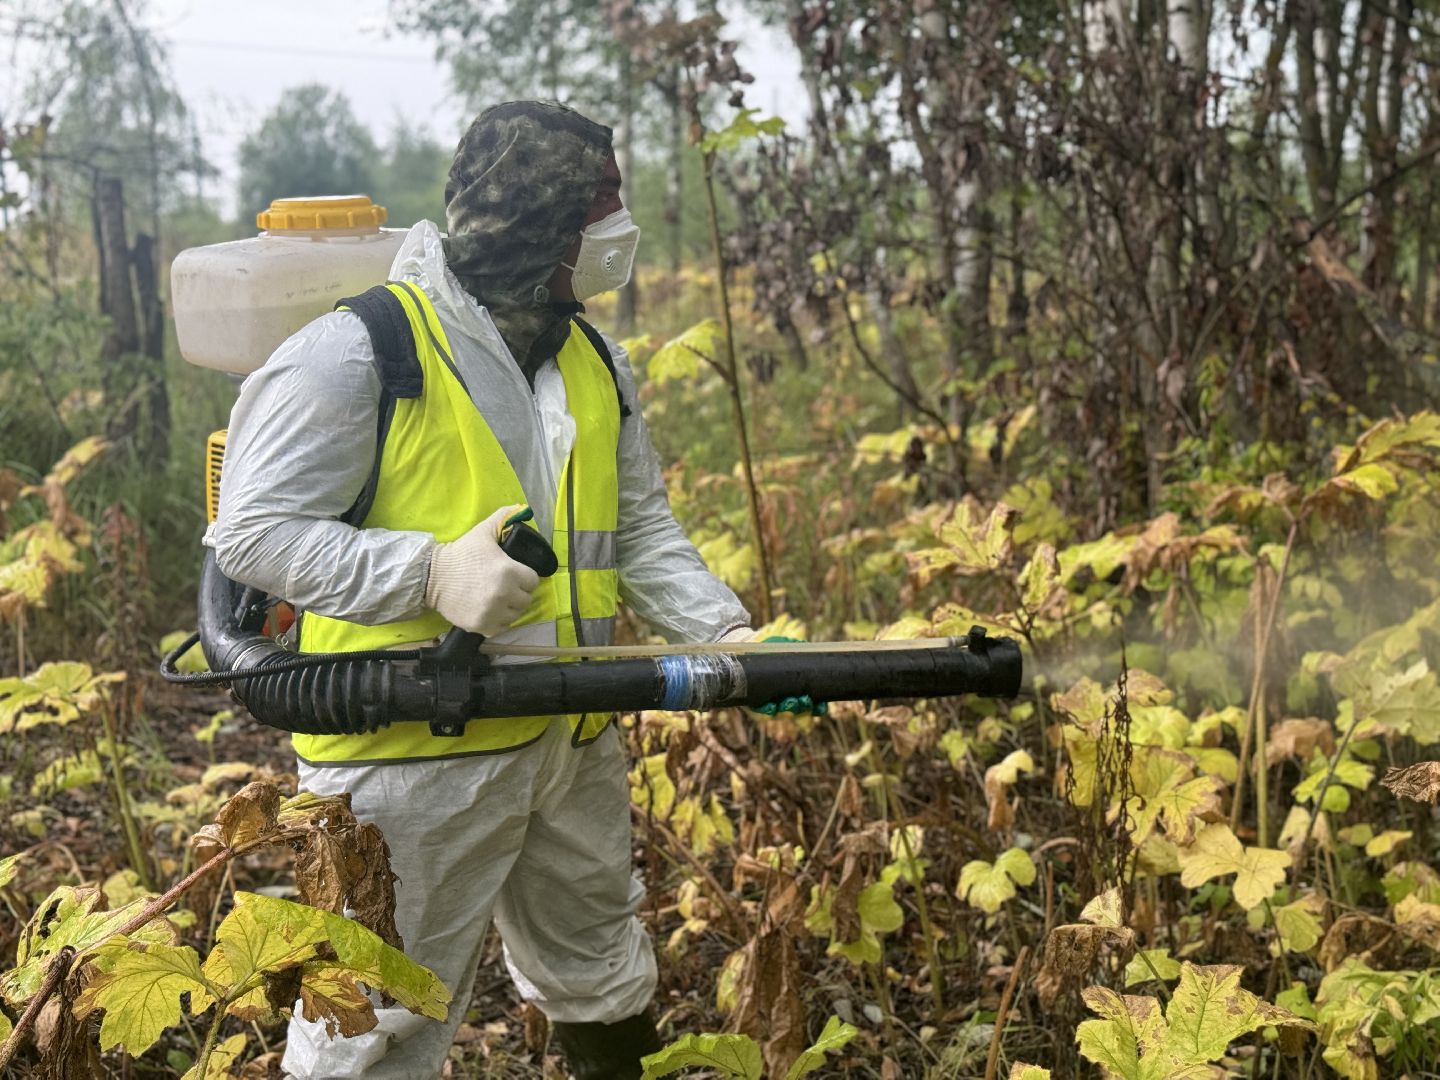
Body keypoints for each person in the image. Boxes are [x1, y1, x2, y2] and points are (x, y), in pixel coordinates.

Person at [210, 101, 786, 1079]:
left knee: (599, 964)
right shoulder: (359, 354)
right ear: (539, 219)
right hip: (408, 752)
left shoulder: (594, 357)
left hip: (570, 732)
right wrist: (425, 572)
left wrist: (730, 638)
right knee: (370, 1023)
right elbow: (250, 534)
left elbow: (639, 529)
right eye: (599, 206)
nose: (617, 228)